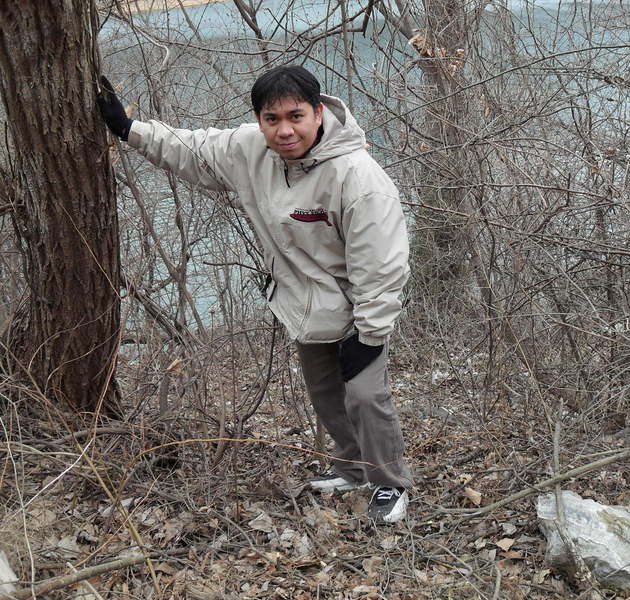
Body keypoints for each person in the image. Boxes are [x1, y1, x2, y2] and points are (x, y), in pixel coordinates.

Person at [97, 65, 413, 523]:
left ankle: (390, 484)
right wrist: (127, 128)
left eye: (296, 116)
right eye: (272, 119)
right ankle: (352, 469)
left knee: (365, 396)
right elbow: (193, 148)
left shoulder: (357, 177)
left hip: (358, 306)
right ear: (260, 120)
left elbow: (382, 263)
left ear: (319, 112)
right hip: (305, 302)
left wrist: (369, 332)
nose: (285, 130)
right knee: (325, 392)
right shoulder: (251, 150)